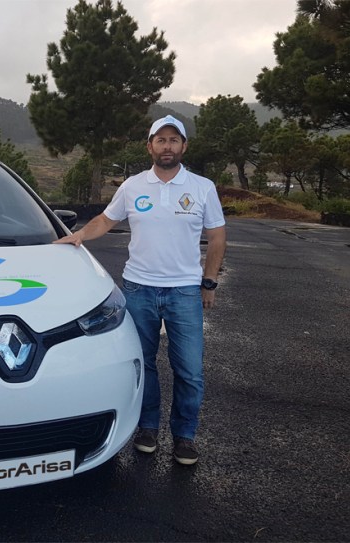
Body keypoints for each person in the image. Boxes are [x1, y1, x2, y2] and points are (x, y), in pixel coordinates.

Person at [54, 115, 226, 465]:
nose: (167, 146)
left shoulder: (203, 187)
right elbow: (106, 219)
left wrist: (209, 282)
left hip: (184, 292)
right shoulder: (133, 186)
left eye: (173, 140)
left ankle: (184, 436)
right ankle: (147, 428)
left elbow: (217, 236)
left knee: (190, 370)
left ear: (184, 146)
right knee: (143, 364)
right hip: (139, 289)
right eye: (160, 140)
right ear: (150, 147)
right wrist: (79, 235)